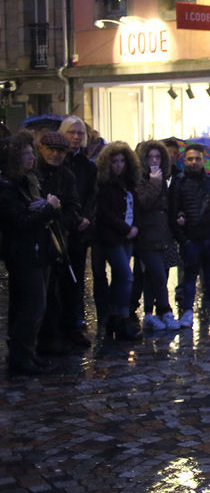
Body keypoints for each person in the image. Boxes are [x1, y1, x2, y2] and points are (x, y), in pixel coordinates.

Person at [0, 132, 59, 374]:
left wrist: (45, 206)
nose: (32, 158)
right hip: (22, 253)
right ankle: (21, 355)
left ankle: (26, 353)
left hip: (34, 251)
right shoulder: (7, 186)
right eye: (26, 153)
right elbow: (20, 222)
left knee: (32, 304)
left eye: (31, 152)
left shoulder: (27, 181)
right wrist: (48, 208)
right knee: (32, 305)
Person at [33, 131, 84, 355]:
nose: (55, 154)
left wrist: (61, 220)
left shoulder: (66, 176)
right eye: (51, 150)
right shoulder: (32, 173)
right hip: (34, 240)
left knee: (60, 288)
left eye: (60, 151)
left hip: (58, 240)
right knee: (38, 293)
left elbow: (74, 206)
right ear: (41, 149)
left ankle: (57, 334)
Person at [168, 143, 210, 326]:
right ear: (184, 161)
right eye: (190, 159)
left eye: (197, 159)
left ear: (203, 161)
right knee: (189, 277)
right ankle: (187, 311)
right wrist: (182, 238)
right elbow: (173, 211)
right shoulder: (179, 183)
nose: (194, 162)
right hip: (190, 239)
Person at [95, 141, 143, 342]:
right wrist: (126, 229)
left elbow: (136, 208)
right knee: (126, 276)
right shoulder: (104, 185)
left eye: (122, 161)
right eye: (114, 161)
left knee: (119, 278)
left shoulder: (129, 184)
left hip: (127, 237)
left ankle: (114, 320)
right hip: (113, 238)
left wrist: (135, 228)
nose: (118, 165)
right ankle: (121, 317)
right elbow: (104, 213)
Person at [133, 140, 180, 331]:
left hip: (162, 236)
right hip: (146, 236)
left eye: (158, 157)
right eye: (151, 156)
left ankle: (152, 313)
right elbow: (143, 203)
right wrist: (154, 183)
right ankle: (163, 310)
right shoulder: (141, 179)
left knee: (155, 275)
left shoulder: (164, 178)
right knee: (156, 275)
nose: (154, 160)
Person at [59, 116, 97, 342]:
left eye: (79, 133)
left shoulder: (88, 166)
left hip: (80, 229)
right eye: (71, 132)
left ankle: (75, 323)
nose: (75, 137)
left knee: (77, 279)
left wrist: (86, 218)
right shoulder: (58, 163)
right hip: (61, 226)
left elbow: (92, 196)